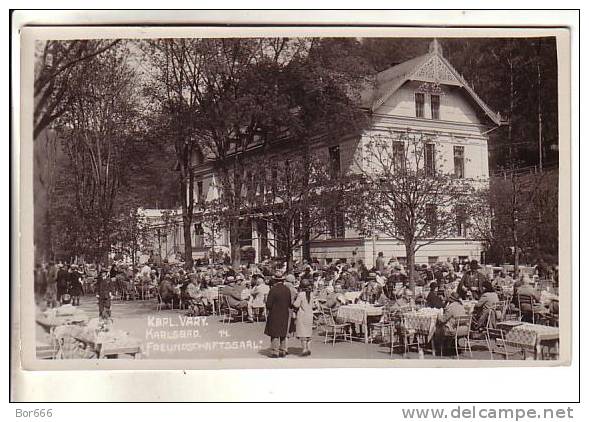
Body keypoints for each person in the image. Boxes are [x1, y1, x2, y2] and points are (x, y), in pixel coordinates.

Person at [264, 274, 293, 358]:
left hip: (274, 313)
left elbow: (268, 304)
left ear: (275, 280)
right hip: (284, 313)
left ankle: (275, 351)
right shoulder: (287, 289)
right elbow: (289, 303)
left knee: (275, 333)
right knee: (283, 332)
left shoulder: (273, 290)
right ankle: (283, 350)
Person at [293, 279, 314, 356]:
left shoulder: (300, 294)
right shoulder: (311, 294)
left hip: (302, 315)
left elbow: (296, 305)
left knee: (303, 333)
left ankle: (304, 349)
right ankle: (309, 348)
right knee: (308, 332)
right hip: (310, 315)